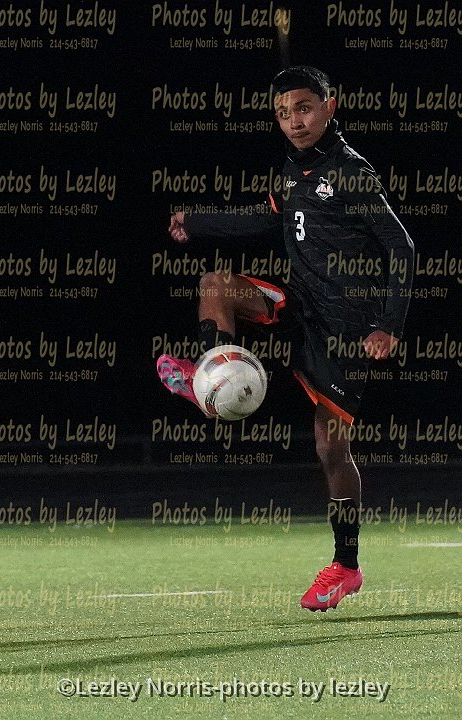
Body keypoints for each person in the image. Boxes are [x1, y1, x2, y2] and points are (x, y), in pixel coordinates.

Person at [157, 65, 414, 611]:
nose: (294, 121)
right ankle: (208, 376)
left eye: (303, 108)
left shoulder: (350, 172)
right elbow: (265, 220)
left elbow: (402, 246)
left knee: (329, 446)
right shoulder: (292, 169)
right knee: (216, 285)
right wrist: (197, 222)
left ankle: (346, 566)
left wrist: (388, 324)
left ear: (329, 106)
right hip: (300, 306)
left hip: (345, 329)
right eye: (282, 113)